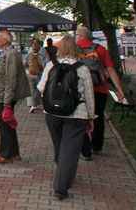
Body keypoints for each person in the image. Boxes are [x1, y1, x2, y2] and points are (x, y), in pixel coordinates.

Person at [37, 35, 96, 201]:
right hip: (77, 114)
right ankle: (61, 188)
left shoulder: (51, 65)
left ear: (60, 49)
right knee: (70, 150)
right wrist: (91, 117)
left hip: (53, 114)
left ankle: (63, 170)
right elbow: (89, 96)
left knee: (59, 146)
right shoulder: (82, 68)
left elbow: (41, 88)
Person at [75, 27, 125, 160]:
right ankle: (96, 146)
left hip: (81, 90)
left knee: (81, 118)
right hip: (99, 89)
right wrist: (119, 89)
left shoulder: (73, 49)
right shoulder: (100, 49)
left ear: (79, 36)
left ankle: (85, 150)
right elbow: (111, 69)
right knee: (98, 117)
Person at [0, 31, 31, 164]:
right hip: (4, 94)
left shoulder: (11, 54)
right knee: (8, 122)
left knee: (4, 125)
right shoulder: (7, 54)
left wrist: (7, 101)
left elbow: (11, 78)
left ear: (5, 41)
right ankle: (14, 152)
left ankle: (5, 155)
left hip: (5, 96)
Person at [25, 40, 44, 113]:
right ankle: (36, 104)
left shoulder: (29, 55)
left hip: (30, 74)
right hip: (38, 74)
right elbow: (43, 66)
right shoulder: (41, 56)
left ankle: (33, 105)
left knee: (32, 89)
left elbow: (24, 64)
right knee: (39, 89)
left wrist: (28, 68)